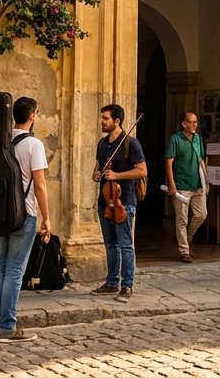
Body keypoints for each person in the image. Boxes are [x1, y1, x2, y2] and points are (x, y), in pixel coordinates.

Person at [0, 96, 50, 343]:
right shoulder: (33, 145)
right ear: (33, 116)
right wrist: (46, 217)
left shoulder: (1, 143)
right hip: (24, 213)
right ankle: (7, 327)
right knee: (15, 269)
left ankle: (1, 322)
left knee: (3, 267)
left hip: (2, 214)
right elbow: (39, 184)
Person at [92, 104, 146, 303]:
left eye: (105, 118)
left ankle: (127, 285)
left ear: (117, 121)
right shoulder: (102, 143)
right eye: (102, 118)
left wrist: (117, 175)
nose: (102, 121)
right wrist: (97, 174)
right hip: (105, 201)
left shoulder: (130, 144)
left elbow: (142, 170)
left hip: (124, 202)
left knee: (125, 245)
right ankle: (111, 282)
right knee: (110, 244)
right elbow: (97, 168)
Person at [164, 111, 207, 263]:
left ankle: (187, 240)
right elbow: (168, 162)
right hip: (181, 185)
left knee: (201, 214)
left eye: (195, 122)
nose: (194, 125)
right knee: (182, 219)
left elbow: (201, 160)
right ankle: (184, 251)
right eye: (191, 122)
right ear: (184, 124)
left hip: (197, 185)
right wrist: (172, 184)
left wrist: (206, 182)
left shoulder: (198, 140)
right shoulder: (175, 140)